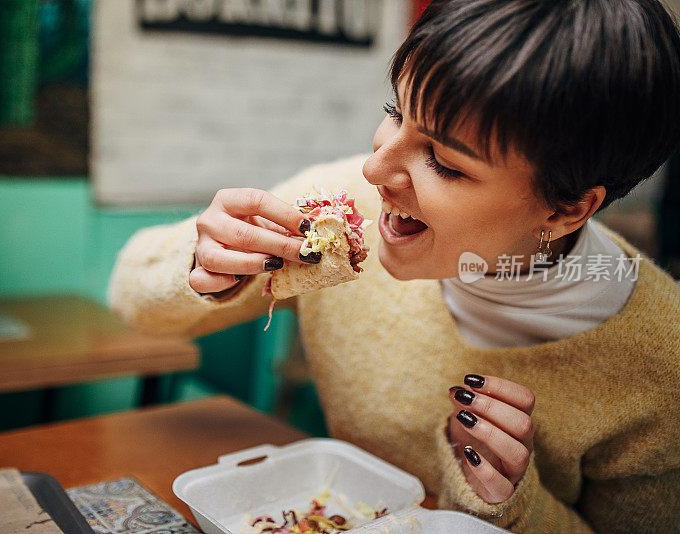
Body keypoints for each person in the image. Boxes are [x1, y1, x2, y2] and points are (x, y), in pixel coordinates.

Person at [108, 0, 680, 531]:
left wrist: (513, 506)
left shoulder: (662, 358)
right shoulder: (340, 204)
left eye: (444, 162)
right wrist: (202, 264)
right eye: (394, 111)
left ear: (566, 208)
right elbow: (132, 303)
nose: (375, 170)